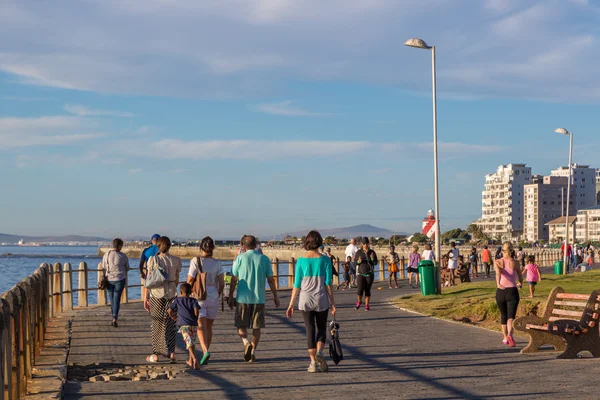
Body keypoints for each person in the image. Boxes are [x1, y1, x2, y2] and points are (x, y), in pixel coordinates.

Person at [286, 231, 336, 373]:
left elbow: (296, 284)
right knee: (321, 328)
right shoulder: (325, 259)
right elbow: (328, 283)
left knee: (309, 329)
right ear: (319, 242)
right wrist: (333, 303)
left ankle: (313, 363)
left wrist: (291, 304)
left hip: (305, 299)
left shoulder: (301, 261)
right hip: (321, 299)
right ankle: (320, 352)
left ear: (306, 242)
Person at [228, 235, 280, 362]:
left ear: (243, 246)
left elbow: (233, 279)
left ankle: (246, 343)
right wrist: (275, 296)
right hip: (259, 298)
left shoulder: (239, 259)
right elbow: (271, 280)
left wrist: (230, 295)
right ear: (256, 245)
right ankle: (252, 352)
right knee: (257, 327)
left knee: (240, 325)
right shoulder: (264, 259)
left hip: (242, 298)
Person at [187, 236, 225, 366]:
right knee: (209, 327)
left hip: (199, 297)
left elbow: (190, 280)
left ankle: (204, 351)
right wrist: (218, 294)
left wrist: (186, 293)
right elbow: (221, 282)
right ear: (212, 248)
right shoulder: (217, 263)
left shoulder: (195, 261)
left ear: (201, 248)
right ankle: (205, 353)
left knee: (200, 326)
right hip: (213, 296)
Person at [143, 236, 182, 363]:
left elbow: (148, 281)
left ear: (158, 246)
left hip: (156, 294)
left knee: (157, 324)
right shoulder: (176, 260)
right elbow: (176, 280)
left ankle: (156, 354)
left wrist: (145, 298)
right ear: (170, 246)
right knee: (171, 324)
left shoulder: (153, 260)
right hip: (171, 294)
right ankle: (172, 353)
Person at [494, 242, 523, 347]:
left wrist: (498, 284)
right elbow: (520, 275)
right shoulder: (515, 262)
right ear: (512, 250)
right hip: (512, 291)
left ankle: (505, 337)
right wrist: (520, 283)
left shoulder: (498, 262)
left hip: (501, 291)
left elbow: (498, 273)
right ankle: (511, 334)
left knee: (503, 315)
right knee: (511, 316)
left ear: (502, 250)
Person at [168, 283, 201, 369]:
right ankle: (190, 361)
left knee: (188, 342)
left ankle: (194, 359)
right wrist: (196, 318)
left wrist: (173, 316)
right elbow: (196, 311)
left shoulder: (177, 300)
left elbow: (169, 310)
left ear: (181, 292)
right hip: (193, 324)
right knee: (192, 343)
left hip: (183, 325)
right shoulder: (194, 300)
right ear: (191, 292)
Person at [100, 238, 130, 327]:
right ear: (120, 246)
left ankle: (113, 316)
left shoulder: (106, 254)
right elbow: (127, 268)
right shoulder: (123, 256)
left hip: (109, 279)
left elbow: (104, 266)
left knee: (112, 298)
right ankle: (114, 319)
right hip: (120, 279)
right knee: (117, 299)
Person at [354, 237, 377, 311]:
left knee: (367, 290)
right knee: (360, 290)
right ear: (362, 244)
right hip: (361, 273)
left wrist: (372, 259)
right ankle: (359, 301)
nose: (365, 245)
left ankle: (367, 305)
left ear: (368, 244)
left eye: (366, 244)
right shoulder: (359, 252)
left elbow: (375, 263)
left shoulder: (372, 252)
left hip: (369, 274)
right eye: (364, 244)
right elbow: (355, 262)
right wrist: (359, 261)